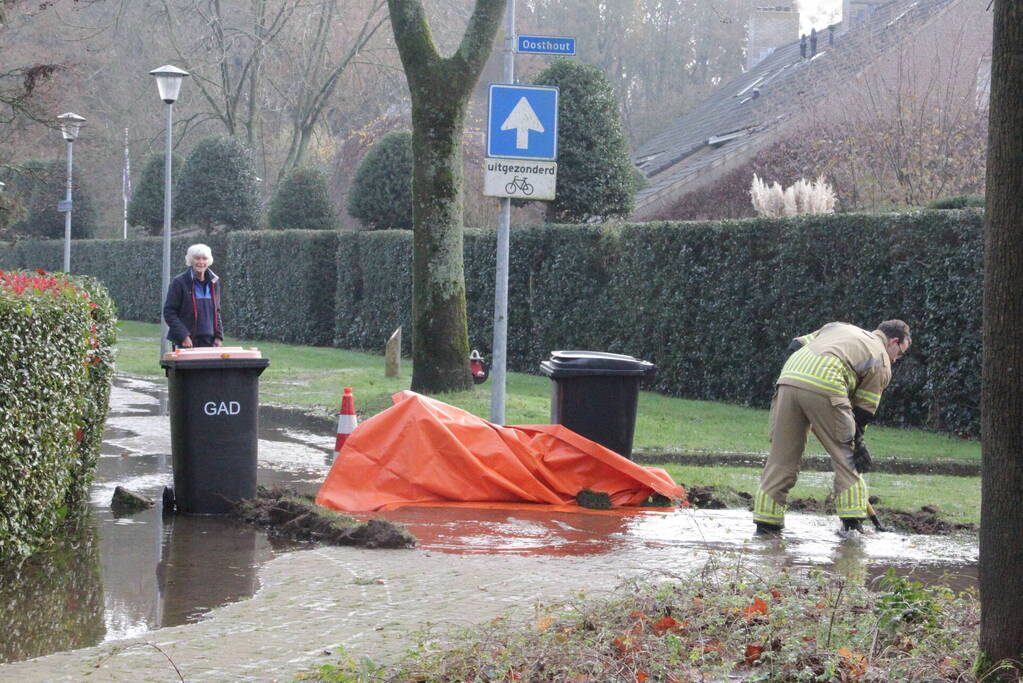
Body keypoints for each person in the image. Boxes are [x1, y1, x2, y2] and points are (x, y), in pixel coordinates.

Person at [752, 320, 911, 534]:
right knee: (847, 456)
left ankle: (766, 525)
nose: (896, 359)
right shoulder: (881, 360)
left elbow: (795, 346)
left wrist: (804, 380)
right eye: (899, 354)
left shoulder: (837, 327)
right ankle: (852, 528)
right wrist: (857, 444)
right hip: (827, 381)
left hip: (789, 378)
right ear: (894, 341)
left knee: (782, 456)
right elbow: (861, 414)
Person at [163, 243, 223, 349]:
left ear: (209, 261)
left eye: (204, 259)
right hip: (186, 343)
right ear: (191, 260)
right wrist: (184, 336)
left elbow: (216, 312)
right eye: (197, 258)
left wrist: (219, 336)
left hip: (209, 342)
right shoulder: (179, 282)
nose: (201, 262)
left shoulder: (215, 282)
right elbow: (169, 312)